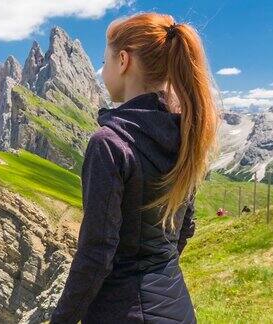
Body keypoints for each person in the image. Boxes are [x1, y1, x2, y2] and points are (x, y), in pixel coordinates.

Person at [49, 12, 220, 324]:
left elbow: (97, 253)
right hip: (177, 307)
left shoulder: (109, 143)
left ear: (123, 61)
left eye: (105, 62)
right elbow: (185, 228)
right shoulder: (187, 133)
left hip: (120, 310)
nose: (102, 72)